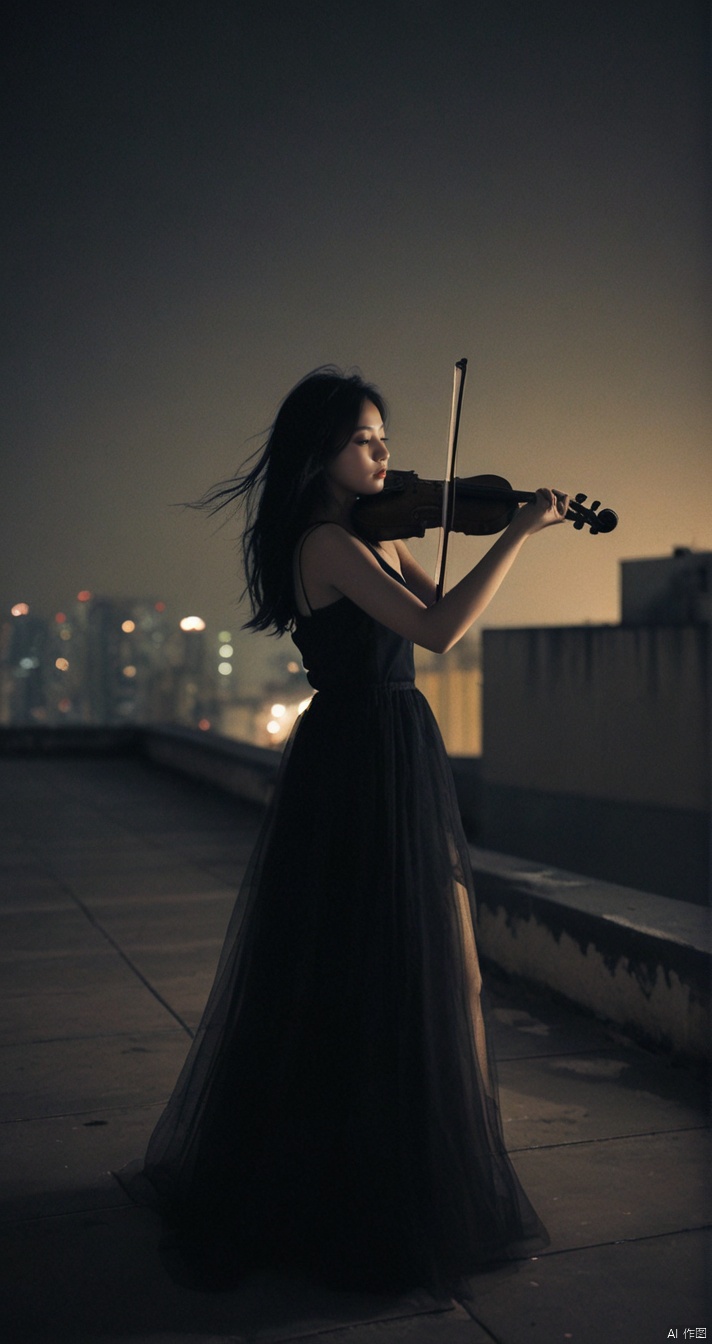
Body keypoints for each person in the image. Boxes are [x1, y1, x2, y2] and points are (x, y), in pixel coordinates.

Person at [121, 367, 568, 1294]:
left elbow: (429, 608)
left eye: (385, 438)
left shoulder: (366, 530)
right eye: (365, 440)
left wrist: (465, 526)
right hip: (362, 755)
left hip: (392, 743)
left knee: (438, 965)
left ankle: (431, 1172)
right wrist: (518, 532)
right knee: (389, 968)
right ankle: (392, 1190)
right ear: (321, 451)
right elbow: (442, 631)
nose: (384, 453)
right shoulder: (325, 543)